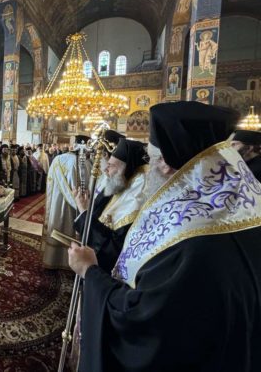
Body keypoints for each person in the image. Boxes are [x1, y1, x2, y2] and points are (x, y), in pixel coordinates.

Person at [69, 101, 261, 372]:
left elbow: (143, 321)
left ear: (168, 164)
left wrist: (90, 273)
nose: (149, 169)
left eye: (152, 159)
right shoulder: (242, 207)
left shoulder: (192, 235)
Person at [73, 138, 148, 273]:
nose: (106, 170)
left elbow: (112, 248)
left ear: (125, 169)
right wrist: (86, 209)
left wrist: (84, 211)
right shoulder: (117, 184)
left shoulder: (135, 200)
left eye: (111, 165)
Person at [42, 135, 91, 269]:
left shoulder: (58, 160)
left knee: (57, 226)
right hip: (77, 207)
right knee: (70, 230)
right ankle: (70, 261)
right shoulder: (86, 164)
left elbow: (50, 183)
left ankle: (52, 259)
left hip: (57, 204)